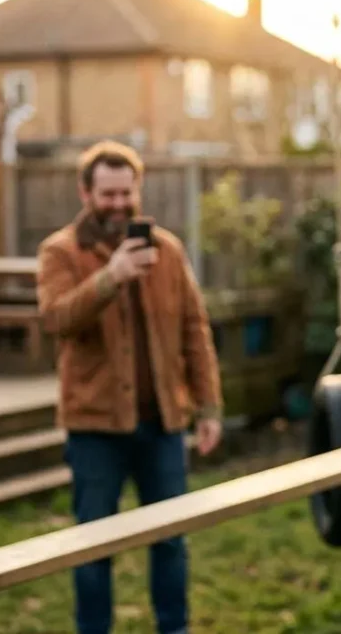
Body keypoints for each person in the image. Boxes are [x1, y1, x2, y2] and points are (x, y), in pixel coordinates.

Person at [36, 140, 224, 634]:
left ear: (137, 189)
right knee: (94, 548)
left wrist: (208, 407)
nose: (119, 204)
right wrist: (109, 277)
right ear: (86, 192)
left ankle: (174, 627)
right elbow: (56, 320)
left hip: (162, 422)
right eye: (108, 194)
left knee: (170, 540)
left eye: (126, 192)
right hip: (95, 429)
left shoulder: (168, 250)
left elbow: (194, 329)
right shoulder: (61, 251)